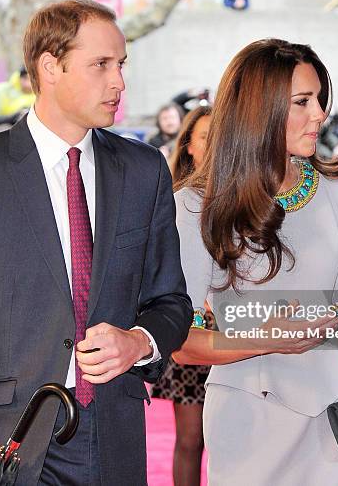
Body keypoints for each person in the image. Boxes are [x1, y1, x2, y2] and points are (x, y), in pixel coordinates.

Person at [0, 0, 192, 486]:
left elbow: (171, 301)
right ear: (50, 66)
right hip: (10, 442)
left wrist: (138, 342)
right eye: (101, 65)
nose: (118, 82)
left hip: (114, 436)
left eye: (121, 65)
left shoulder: (144, 169)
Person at [171, 39, 338, 486]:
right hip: (249, 420)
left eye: (318, 99)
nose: (319, 113)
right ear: (259, 109)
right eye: (302, 102)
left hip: (331, 418)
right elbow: (181, 340)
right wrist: (265, 338)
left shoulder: (331, 186)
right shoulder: (195, 204)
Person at [151, 105, 211, 486]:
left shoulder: (248, 195)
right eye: (207, 137)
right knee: (191, 439)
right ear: (188, 145)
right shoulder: (179, 200)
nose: (218, 144)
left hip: (241, 333)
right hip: (191, 328)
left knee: (234, 436)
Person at [0, 65, 35, 132]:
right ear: (20, 78)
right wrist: (17, 115)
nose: (29, 83)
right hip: (1, 127)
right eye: (26, 78)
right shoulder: (3, 90)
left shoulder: (40, 95)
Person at [166, 105, 211, 185]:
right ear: (188, 145)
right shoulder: (178, 195)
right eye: (204, 137)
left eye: (218, 136)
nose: (212, 142)